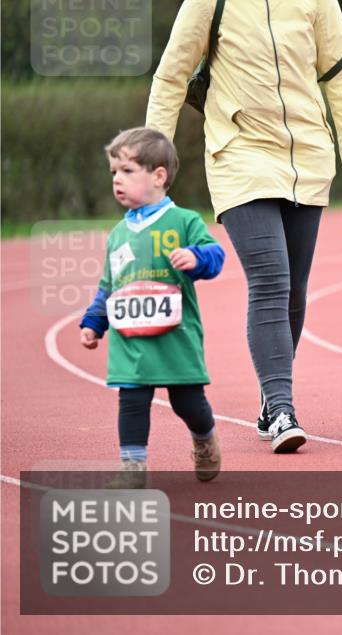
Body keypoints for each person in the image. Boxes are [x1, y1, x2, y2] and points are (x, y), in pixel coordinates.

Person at [146, 0, 342, 452]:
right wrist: (152, 160)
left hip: (309, 157)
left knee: (294, 288)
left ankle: (272, 403)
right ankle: (283, 405)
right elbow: (169, 78)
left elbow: (341, 76)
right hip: (239, 156)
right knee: (270, 278)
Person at [80, 127, 226, 487]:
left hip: (177, 335)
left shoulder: (184, 221)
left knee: (187, 402)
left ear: (158, 176)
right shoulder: (117, 235)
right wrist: (94, 321)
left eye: (127, 171)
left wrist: (195, 256)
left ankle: (204, 436)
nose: (117, 180)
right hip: (131, 339)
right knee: (132, 399)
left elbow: (216, 255)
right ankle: (133, 468)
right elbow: (108, 286)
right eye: (114, 172)